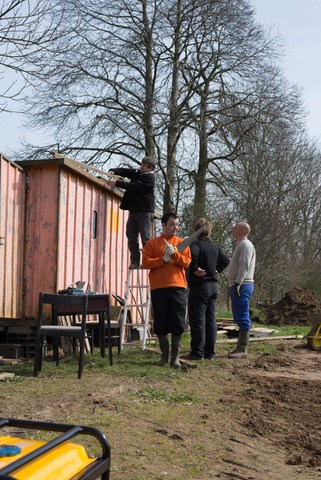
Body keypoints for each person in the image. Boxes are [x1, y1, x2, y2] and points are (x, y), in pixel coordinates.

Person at [142, 212, 191, 368]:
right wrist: (162, 259)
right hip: (158, 288)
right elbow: (146, 263)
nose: (175, 228)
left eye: (176, 225)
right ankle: (164, 357)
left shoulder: (182, 243)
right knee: (160, 324)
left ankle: (175, 358)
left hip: (178, 288)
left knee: (178, 323)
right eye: (171, 224)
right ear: (163, 225)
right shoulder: (152, 244)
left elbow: (187, 262)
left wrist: (175, 255)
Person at [186, 218, 230, 361]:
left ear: (196, 231)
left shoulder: (196, 245)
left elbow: (191, 258)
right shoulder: (215, 247)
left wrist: (194, 269)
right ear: (209, 231)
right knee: (211, 320)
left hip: (199, 287)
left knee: (198, 320)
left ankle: (197, 352)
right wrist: (217, 270)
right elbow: (226, 260)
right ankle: (210, 353)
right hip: (213, 287)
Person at [106, 156, 155, 269]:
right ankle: (135, 261)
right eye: (142, 164)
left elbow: (134, 187)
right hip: (134, 210)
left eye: (144, 165)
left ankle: (148, 260)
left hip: (144, 211)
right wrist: (115, 170)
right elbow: (126, 172)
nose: (141, 166)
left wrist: (116, 183)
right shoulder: (139, 173)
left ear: (150, 167)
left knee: (145, 237)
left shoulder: (150, 178)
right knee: (131, 235)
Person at [227, 221, 256, 358]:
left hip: (242, 285)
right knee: (239, 314)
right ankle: (240, 347)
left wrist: (238, 283)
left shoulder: (245, 245)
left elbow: (244, 265)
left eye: (235, 228)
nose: (233, 230)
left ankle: (242, 348)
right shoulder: (242, 245)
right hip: (240, 284)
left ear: (243, 231)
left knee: (242, 315)